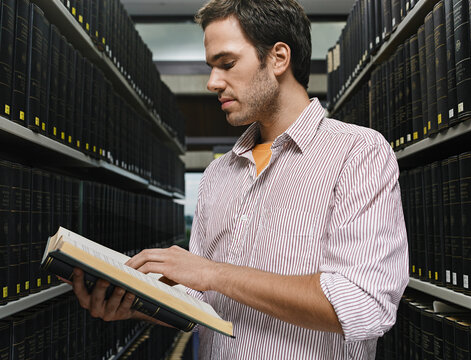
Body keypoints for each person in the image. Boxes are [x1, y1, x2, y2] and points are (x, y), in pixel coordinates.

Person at [69, 0, 409, 358]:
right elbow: (202, 297)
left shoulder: (358, 153)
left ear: (278, 58)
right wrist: (134, 302)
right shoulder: (218, 173)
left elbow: (365, 305)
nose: (212, 82)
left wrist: (215, 274)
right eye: (211, 67)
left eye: (227, 64)